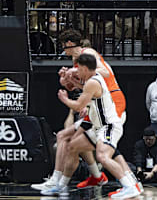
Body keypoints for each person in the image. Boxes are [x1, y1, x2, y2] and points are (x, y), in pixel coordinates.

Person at [56, 54, 139, 199]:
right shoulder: (93, 81)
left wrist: (64, 99)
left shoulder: (93, 82)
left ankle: (130, 186)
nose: (78, 73)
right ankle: (60, 184)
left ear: (85, 68)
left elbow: (78, 105)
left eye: (78, 70)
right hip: (98, 128)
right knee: (72, 146)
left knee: (103, 156)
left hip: (108, 126)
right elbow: (86, 91)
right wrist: (72, 81)